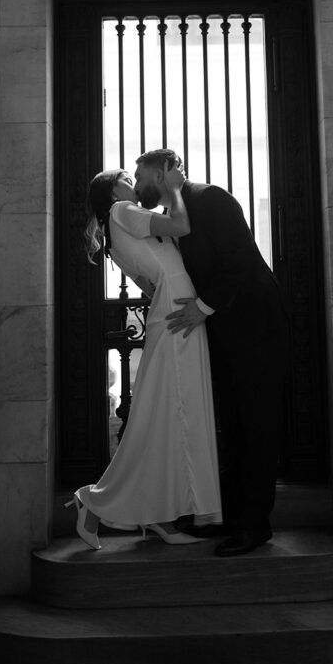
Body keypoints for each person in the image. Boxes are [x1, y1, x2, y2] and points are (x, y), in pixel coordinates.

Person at [134, 148, 290, 557]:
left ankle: (256, 527)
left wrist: (202, 309)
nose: (138, 186)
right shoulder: (174, 221)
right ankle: (234, 519)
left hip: (256, 328)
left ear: (167, 169)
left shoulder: (213, 198)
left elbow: (239, 261)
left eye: (143, 176)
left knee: (256, 428)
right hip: (223, 334)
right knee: (233, 430)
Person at [66, 164, 222, 550]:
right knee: (170, 411)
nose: (132, 183)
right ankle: (96, 502)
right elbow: (181, 228)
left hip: (171, 307)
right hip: (176, 310)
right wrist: (174, 189)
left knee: (168, 414)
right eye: (125, 180)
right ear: (112, 192)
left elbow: (149, 285)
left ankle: (158, 515)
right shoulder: (123, 212)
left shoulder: (117, 228)